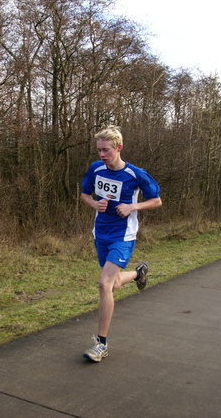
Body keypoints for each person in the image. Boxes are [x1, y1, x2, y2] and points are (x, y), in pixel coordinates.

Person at [80, 125, 162, 362]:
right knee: (113, 284)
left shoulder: (136, 175)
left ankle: (101, 344)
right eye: (99, 150)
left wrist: (132, 206)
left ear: (119, 147)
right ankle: (138, 274)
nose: (102, 155)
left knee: (104, 285)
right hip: (101, 233)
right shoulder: (96, 169)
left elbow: (156, 201)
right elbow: (84, 194)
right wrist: (94, 204)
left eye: (106, 150)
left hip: (123, 236)